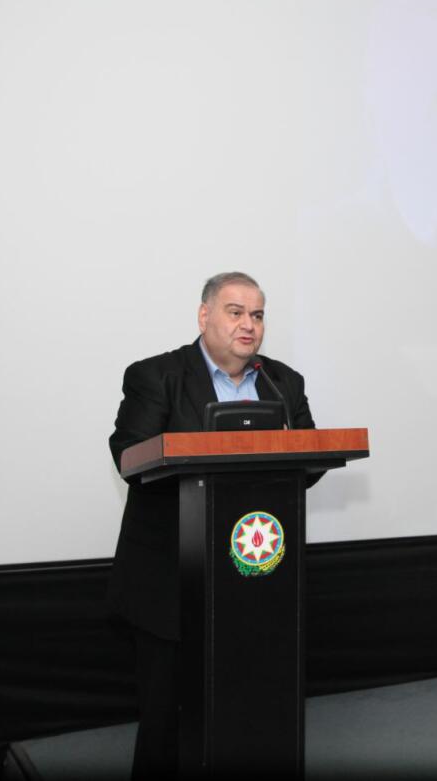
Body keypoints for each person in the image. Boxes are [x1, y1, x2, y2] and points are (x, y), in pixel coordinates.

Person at [108, 271, 317, 778]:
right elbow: (129, 456)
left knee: (249, 711)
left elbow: (311, 457)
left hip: (255, 580)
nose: (249, 325)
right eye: (236, 312)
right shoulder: (157, 376)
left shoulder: (283, 382)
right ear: (205, 316)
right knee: (166, 721)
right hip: (171, 580)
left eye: (258, 315)